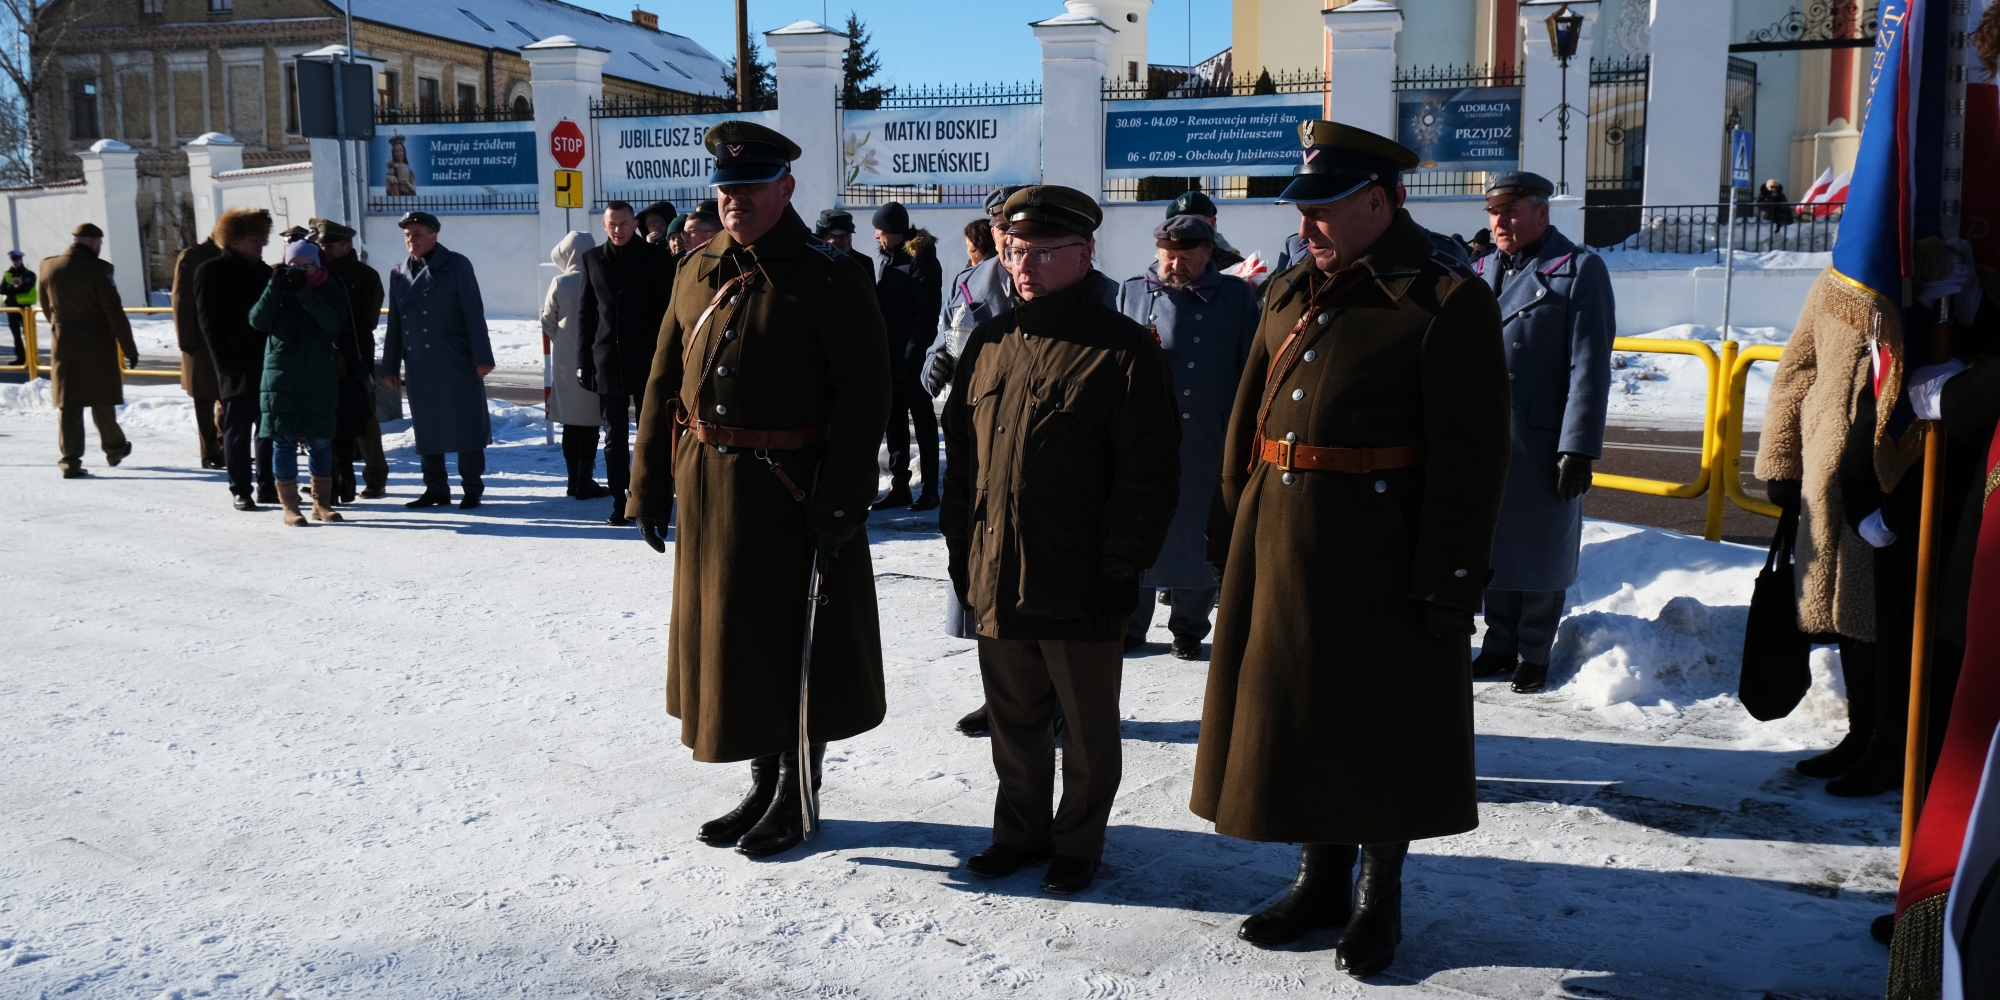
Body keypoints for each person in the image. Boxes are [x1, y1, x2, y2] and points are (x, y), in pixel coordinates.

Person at [1191, 120, 1510, 977]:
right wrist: (1231, 525)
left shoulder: (1446, 299)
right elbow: (1246, 420)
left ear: (1379, 201)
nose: (1307, 228)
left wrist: (1449, 575)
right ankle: (1318, 878)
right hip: (1282, 540)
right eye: (1303, 210)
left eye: (1325, 210)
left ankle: (1378, 900)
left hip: (1383, 551)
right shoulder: (1290, 291)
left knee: (1380, 724)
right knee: (1299, 715)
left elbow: (1473, 457)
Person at [626, 120, 891, 859]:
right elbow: (661, 386)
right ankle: (760, 780)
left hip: (793, 494)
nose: (736, 200)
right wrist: (647, 484)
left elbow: (864, 399)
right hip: (710, 490)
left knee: (795, 646)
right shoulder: (695, 267)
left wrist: (840, 503)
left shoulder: (830, 276)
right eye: (727, 188)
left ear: (786, 188)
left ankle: (796, 795)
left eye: (751, 187)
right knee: (734, 645)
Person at [942, 184, 1181, 895]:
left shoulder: (1124, 351)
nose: (1026, 266)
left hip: (1080, 576)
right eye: (1017, 251)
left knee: (1085, 727)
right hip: (997, 569)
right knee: (1013, 720)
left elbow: (1149, 475)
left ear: (1086, 253)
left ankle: (1079, 841)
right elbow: (964, 463)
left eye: (1046, 253)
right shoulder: (988, 343)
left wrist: (1121, 566)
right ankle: (1019, 832)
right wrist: (960, 551)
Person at [1467, 172, 1616, 693]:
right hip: (1487, 437)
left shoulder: (1578, 270)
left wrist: (1578, 447)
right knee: (1494, 545)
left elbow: (1589, 366)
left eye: (1511, 212)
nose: (1500, 222)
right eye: (1494, 213)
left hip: (1542, 441)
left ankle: (1534, 652)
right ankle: (1498, 644)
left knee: (1538, 547)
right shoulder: (1482, 268)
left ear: (1541, 214)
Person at [1115, 214, 1258, 659]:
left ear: (1209, 253)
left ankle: (1190, 627)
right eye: (1167, 256)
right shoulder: (1133, 292)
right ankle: (1131, 624)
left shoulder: (1236, 297)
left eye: (1185, 257)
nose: (1174, 265)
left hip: (1208, 436)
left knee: (1201, 528)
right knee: (1138, 525)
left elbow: (1251, 368)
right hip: (1144, 435)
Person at [925, 184, 1025, 738]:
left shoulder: (1067, 285)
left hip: (1037, 455)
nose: (1008, 236)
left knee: (1035, 582)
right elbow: (942, 345)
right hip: (978, 451)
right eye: (1000, 226)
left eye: (1018, 225)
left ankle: (1051, 700)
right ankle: (999, 696)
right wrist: (933, 366)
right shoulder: (969, 285)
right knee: (980, 577)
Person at [381, 211, 495, 509]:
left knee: (465, 425)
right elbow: (396, 324)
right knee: (427, 427)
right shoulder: (398, 273)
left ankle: (472, 488)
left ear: (434, 235)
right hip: (420, 364)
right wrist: (390, 365)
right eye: (407, 234)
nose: (411, 239)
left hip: (456, 359)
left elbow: (473, 313)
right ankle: (436, 488)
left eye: (417, 233)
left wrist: (482, 357)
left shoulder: (456, 265)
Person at [579, 200, 675, 525]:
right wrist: (583, 361)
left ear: (635, 223)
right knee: (613, 437)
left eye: (623, 223)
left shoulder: (657, 258)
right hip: (608, 362)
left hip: (647, 361)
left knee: (649, 434)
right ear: (604, 226)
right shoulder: (592, 259)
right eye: (612, 224)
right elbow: (586, 315)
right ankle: (619, 501)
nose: (618, 229)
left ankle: (649, 499)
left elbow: (667, 312)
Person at [252, 240, 352, 526]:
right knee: (283, 442)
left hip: (319, 375)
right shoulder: (278, 289)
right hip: (281, 375)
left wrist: (304, 292)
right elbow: (257, 321)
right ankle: (289, 506)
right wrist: (275, 286)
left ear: (317, 265)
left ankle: (321, 504)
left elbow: (332, 323)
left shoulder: (331, 289)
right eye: (294, 266)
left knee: (321, 442)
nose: (300, 272)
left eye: (307, 266)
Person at [41, 221, 139, 479]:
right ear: (94, 242)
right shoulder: (100, 269)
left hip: (64, 344)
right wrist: (129, 348)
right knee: (101, 398)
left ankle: (70, 461)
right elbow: (113, 311)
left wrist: (60, 327)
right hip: (97, 343)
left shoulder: (48, 266)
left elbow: (45, 305)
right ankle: (115, 449)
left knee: (69, 404)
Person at [195, 208, 276, 509]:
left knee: (268, 427)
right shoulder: (210, 271)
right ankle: (240, 488)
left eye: (262, 240)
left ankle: (268, 484)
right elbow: (209, 323)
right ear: (235, 239)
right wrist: (223, 363)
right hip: (235, 364)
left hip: (267, 362)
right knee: (238, 428)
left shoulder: (264, 272)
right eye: (255, 240)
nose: (260, 246)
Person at [870, 201, 943, 511]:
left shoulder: (922, 262)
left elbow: (925, 318)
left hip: (911, 360)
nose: (876, 236)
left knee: (924, 424)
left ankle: (929, 489)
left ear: (894, 232)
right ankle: (900, 486)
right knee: (894, 423)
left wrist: (911, 360)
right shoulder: (890, 260)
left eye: (880, 230)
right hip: (890, 358)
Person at [314, 218, 389, 501]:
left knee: (364, 418)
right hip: (323, 357)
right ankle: (328, 478)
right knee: (325, 419)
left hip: (355, 357)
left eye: (328, 245)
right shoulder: (317, 272)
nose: (323, 249)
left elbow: (367, 320)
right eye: (320, 245)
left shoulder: (365, 276)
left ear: (346, 247)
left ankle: (376, 477)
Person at [541, 230, 608, 499]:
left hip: (566, 363)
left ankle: (572, 480)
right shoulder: (601, 278)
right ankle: (585, 480)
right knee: (590, 423)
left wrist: (563, 339)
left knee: (571, 422)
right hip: (597, 359)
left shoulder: (560, 281)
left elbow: (547, 320)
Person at [170, 233, 223, 468]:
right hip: (199, 340)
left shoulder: (228, 256)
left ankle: (225, 445)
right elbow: (182, 299)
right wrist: (187, 340)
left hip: (223, 336)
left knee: (226, 396)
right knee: (203, 397)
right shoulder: (193, 256)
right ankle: (209, 452)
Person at [1163, 190, 1245, 269]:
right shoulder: (1161, 266)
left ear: (1212, 222)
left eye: (1192, 223)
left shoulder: (1236, 266)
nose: (1185, 229)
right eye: (1178, 224)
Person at [814, 209, 873, 278]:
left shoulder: (864, 263)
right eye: (838, 234)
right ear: (823, 236)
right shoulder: (813, 261)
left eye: (848, 234)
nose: (845, 239)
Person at [5, 248, 35, 364]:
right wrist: (16, 289)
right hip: (12, 309)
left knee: (28, 334)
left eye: (17, 259)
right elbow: (2, 289)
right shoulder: (8, 274)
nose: (15, 261)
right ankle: (21, 358)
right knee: (16, 335)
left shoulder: (29, 274)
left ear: (21, 259)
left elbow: (26, 288)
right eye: (13, 259)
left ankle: (32, 357)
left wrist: (11, 289)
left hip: (25, 308)